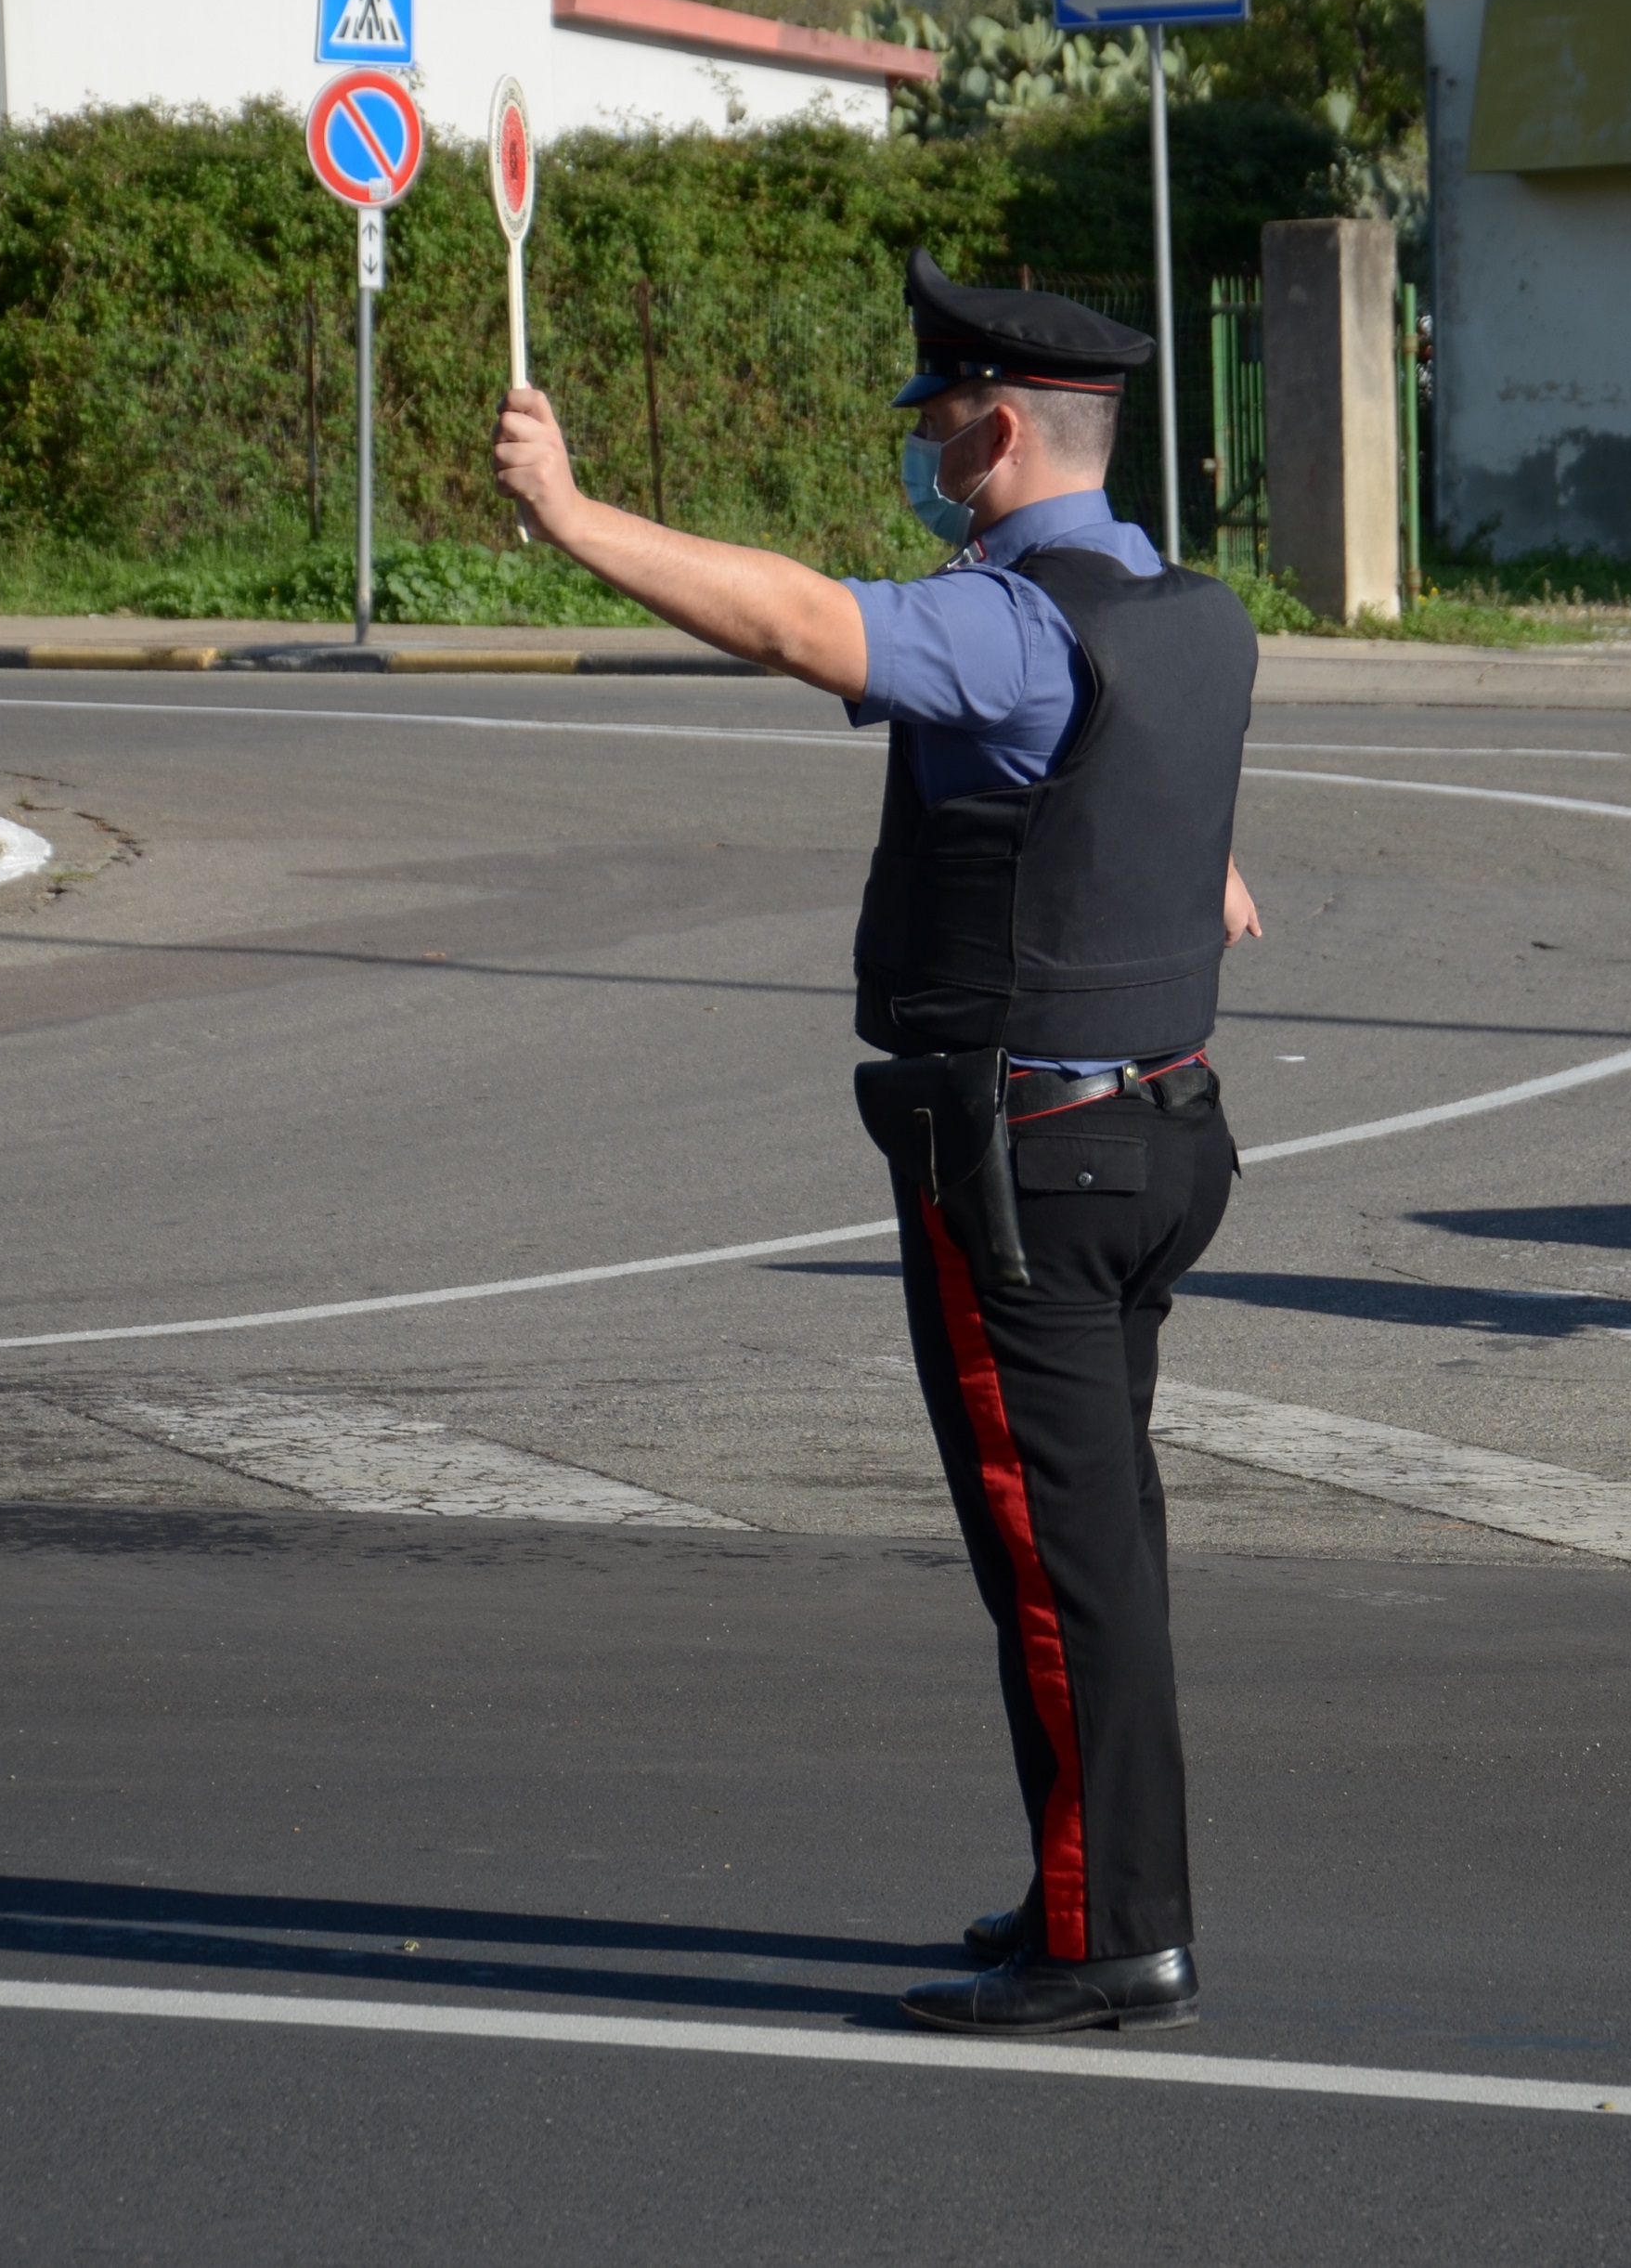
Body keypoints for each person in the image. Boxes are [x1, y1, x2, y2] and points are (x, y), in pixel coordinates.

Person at [491, 250, 1261, 2036]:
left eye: (937, 424)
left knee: (1051, 1558)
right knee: (1098, 1550)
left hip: (1032, 1166)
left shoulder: (1011, 622)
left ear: (993, 429)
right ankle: (1088, 1885)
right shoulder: (1187, 610)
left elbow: (786, 620)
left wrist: (574, 507)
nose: (926, 453)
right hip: (1162, 1142)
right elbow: (1207, 876)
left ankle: (1110, 1937)